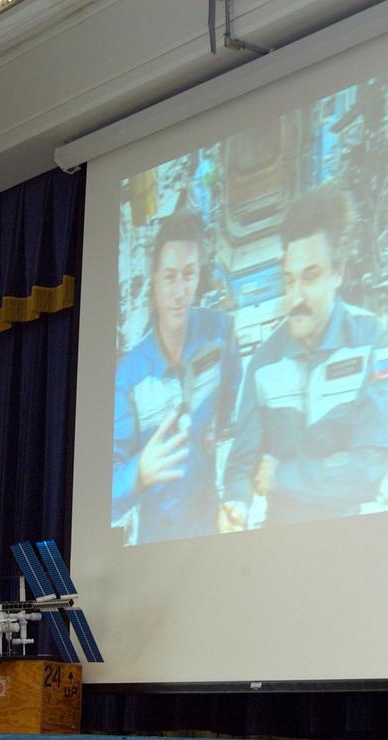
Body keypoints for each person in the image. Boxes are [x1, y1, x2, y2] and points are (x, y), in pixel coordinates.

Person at [221, 187, 388, 529]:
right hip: (281, 542)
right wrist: (235, 504)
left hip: (352, 537)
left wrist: (283, 475)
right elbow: (243, 464)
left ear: (338, 273)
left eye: (310, 276)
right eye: (288, 280)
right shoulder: (263, 363)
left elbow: (370, 468)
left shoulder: (371, 340)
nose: (295, 297)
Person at [113, 209, 240, 544]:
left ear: (199, 276)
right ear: (154, 278)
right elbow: (105, 494)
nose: (180, 291)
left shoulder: (221, 332)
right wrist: (138, 472)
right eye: (170, 277)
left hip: (213, 527)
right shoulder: (129, 375)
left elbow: (233, 410)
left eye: (188, 275)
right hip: (159, 545)